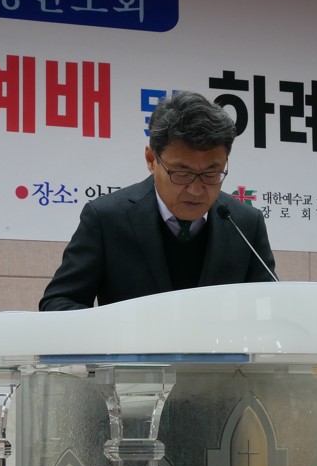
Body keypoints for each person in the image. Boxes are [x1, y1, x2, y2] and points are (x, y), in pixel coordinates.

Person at [39, 90, 277, 311]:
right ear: (152, 160)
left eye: (211, 174)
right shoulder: (106, 218)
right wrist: (118, 331)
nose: (196, 190)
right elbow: (57, 303)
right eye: (182, 173)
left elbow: (272, 307)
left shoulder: (245, 223)